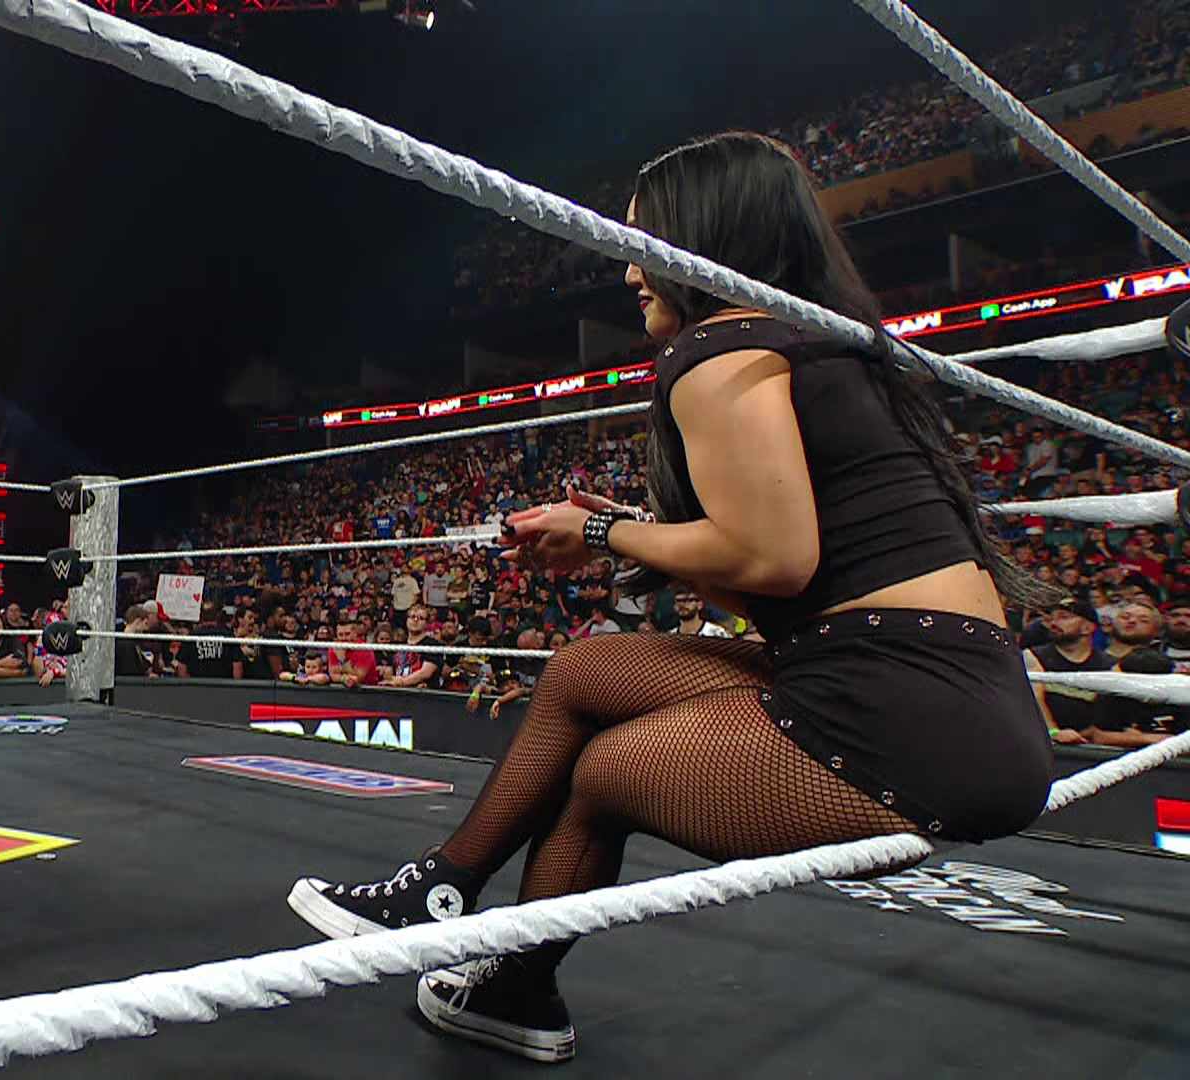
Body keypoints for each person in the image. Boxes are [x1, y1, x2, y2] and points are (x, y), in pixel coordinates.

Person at [287, 132, 1058, 1063]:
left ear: (705, 238)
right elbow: (783, 563)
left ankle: (518, 983)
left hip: (902, 718)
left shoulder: (720, 351)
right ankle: (441, 891)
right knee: (589, 671)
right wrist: (621, 534)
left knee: (604, 772)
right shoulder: (822, 344)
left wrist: (605, 536)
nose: (628, 271)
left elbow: (772, 557)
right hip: (936, 693)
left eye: (643, 243)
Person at [1024, 597, 1117, 745]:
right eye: (1053, 618)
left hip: (1092, 746)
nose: (1054, 623)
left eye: (1064, 617)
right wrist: (1054, 732)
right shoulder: (1034, 656)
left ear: (1087, 628)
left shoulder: (1109, 666)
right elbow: (1034, 698)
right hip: (1044, 742)